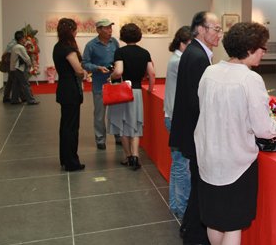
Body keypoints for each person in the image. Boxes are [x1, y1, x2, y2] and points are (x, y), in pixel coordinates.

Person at [195, 22, 276, 245]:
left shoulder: (210, 72)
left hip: (208, 156)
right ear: (250, 49)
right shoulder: (250, 78)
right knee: (233, 225)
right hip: (236, 162)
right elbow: (263, 128)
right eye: (262, 48)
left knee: (213, 219)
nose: (264, 52)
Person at [169, 11, 222, 245]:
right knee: (200, 184)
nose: (219, 34)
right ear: (201, 29)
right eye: (216, 29)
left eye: (220, 30)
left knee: (199, 184)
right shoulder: (198, 57)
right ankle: (195, 234)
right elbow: (198, 101)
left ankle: (190, 229)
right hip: (195, 132)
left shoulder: (194, 52)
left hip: (190, 129)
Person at [108, 23, 155, 170]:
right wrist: (150, 89)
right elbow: (152, 73)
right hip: (137, 91)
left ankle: (128, 157)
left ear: (123, 36)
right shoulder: (145, 53)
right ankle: (136, 156)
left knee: (123, 124)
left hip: (123, 91)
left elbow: (119, 71)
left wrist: (111, 77)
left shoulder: (120, 52)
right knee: (135, 124)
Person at [164, 25, 193, 219]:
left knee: (178, 164)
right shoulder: (179, 61)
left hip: (172, 117)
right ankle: (183, 209)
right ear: (182, 44)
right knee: (182, 166)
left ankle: (176, 204)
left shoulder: (176, 59)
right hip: (177, 119)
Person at [53, 18, 86, 172]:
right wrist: (84, 72)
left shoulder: (58, 46)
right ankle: (72, 162)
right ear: (71, 31)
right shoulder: (68, 48)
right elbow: (78, 70)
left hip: (63, 87)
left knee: (65, 126)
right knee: (71, 128)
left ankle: (65, 159)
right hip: (71, 89)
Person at [82, 18, 121, 150]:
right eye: (106, 28)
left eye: (110, 27)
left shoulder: (114, 42)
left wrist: (116, 66)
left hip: (114, 82)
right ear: (98, 30)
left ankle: (118, 136)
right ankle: (100, 139)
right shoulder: (91, 45)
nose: (110, 30)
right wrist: (97, 68)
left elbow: (119, 58)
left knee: (116, 112)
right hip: (99, 84)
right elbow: (85, 63)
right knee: (99, 114)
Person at [10, 30, 39, 105]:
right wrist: (30, 65)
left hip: (14, 69)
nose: (25, 39)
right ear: (22, 39)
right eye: (24, 38)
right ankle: (31, 100)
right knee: (26, 84)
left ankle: (14, 99)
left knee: (16, 85)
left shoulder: (15, 47)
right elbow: (27, 59)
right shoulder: (20, 47)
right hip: (20, 69)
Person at [2, 36, 19, 103]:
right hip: (10, 61)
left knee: (10, 81)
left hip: (8, 61)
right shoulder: (14, 44)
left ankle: (6, 97)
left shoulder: (12, 42)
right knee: (14, 80)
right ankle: (14, 98)